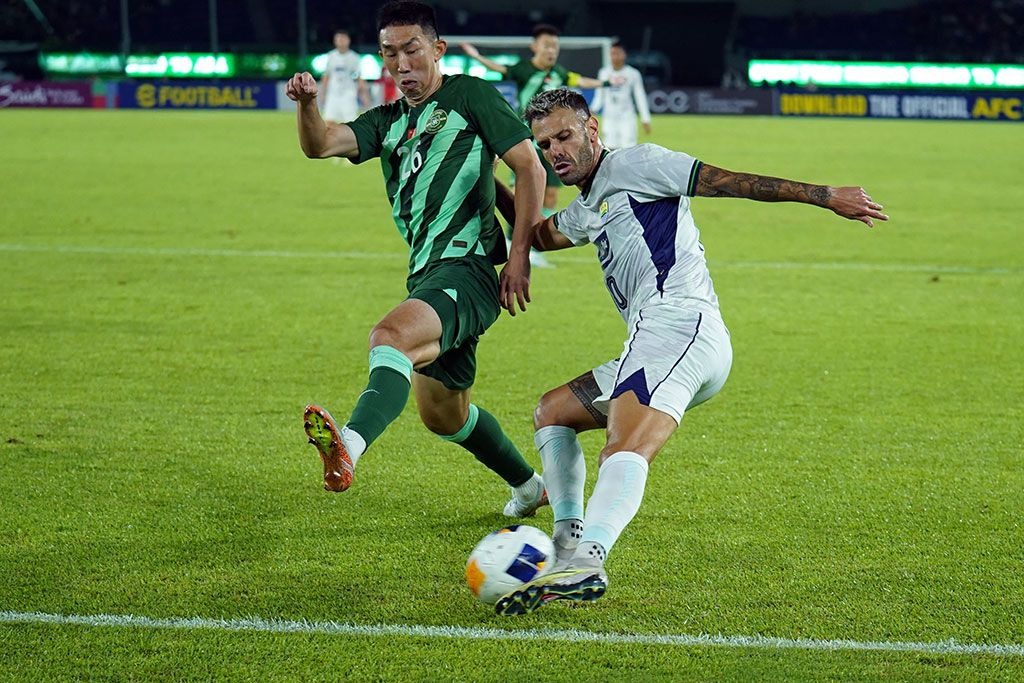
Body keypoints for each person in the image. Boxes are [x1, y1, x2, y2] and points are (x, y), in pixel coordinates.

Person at [492, 88, 888, 615]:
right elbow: (539, 236)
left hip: (678, 324)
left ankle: (586, 559)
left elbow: (733, 182)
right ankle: (567, 541)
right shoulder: (588, 206)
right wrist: (487, 179)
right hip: (658, 339)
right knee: (553, 412)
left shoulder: (640, 164)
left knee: (624, 446)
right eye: (544, 145)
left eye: (564, 136)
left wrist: (824, 195)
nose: (555, 151)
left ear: (592, 131)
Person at [284, 1, 549, 518]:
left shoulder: (469, 95)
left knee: (390, 338)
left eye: (412, 50)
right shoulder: (386, 122)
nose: (402, 64)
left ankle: (350, 449)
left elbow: (529, 168)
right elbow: (320, 145)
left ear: (437, 50)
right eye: (389, 54)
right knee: (444, 416)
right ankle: (531, 487)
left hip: (469, 269)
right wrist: (307, 105)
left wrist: (520, 257)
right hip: (427, 274)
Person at [462, 24, 614, 266]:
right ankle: (519, 242)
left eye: (554, 46)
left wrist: (604, 84)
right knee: (527, 191)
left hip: (559, 143)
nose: (551, 50)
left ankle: (531, 237)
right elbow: (499, 68)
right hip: (530, 140)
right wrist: (476, 57)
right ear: (535, 47)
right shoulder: (523, 70)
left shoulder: (559, 73)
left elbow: (580, 79)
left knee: (550, 195)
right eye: (547, 45)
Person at [591, 42, 651, 149]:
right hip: (609, 118)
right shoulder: (604, 73)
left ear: (624, 55)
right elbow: (599, 95)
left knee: (629, 149)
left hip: (627, 118)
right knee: (610, 149)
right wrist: (592, 111)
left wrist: (645, 118)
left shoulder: (633, 73)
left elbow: (640, 96)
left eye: (618, 53)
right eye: (613, 53)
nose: (615, 56)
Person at [321, 29, 371, 123]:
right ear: (335, 41)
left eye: (343, 39)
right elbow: (326, 75)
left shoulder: (354, 57)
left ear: (348, 40)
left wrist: (364, 95)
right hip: (333, 95)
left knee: (350, 123)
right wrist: (323, 93)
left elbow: (359, 77)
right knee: (329, 122)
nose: (340, 41)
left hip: (348, 95)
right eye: (338, 39)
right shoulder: (331, 56)